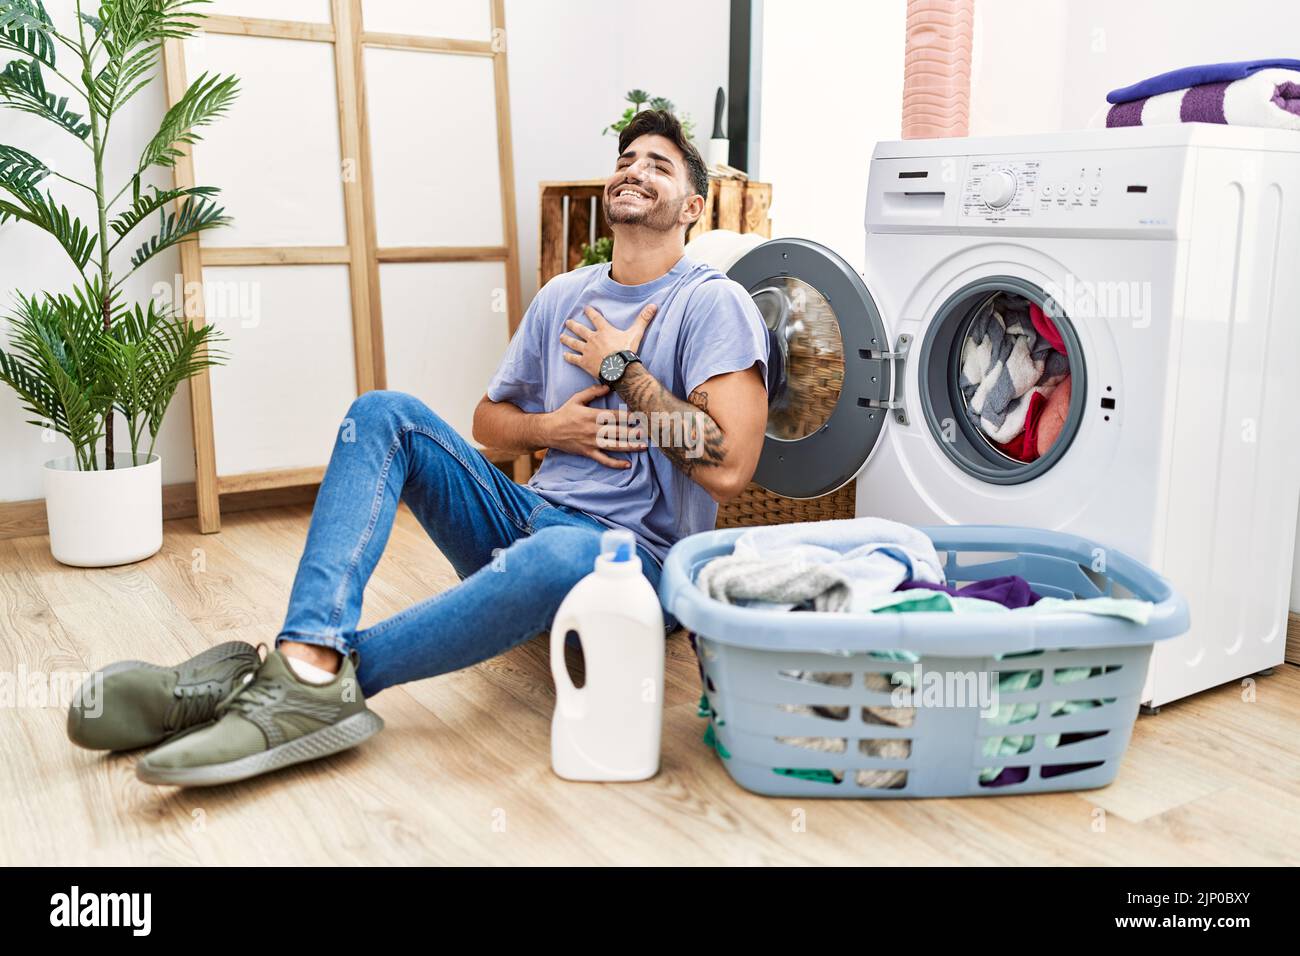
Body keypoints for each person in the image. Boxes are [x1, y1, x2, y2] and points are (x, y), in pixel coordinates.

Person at [68, 110, 770, 787]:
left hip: (629, 562)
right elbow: (489, 422)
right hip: (523, 517)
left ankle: (292, 678)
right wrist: (549, 430)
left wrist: (622, 369)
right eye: (625, 159)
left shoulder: (713, 303)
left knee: (561, 552)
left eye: (659, 165)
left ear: (692, 208)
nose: (634, 170)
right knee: (382, 413)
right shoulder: (564, 296)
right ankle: (308, 655)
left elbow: (729, 466)